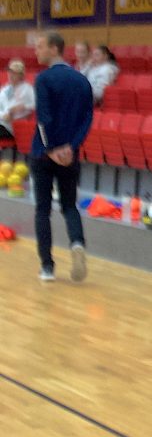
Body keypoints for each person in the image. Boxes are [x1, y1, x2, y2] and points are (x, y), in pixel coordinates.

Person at [32, 32, 93, 282]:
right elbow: (86, 120)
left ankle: (47, 267)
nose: (36, 51)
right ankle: (77, 243)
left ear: (54, 49)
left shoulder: (43, 79)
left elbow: (43, 118)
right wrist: (72, 147)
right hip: (70, 155)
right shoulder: (82, 80)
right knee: (69, 206)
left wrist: (50, 149)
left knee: (42, 210)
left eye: (40, 46)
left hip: (44, 154)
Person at [0, 59, 35, 139]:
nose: (11, 75)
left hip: (14, 127)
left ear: (21, 75)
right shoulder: (4, 90)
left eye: (14, 73)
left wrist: (24, 107)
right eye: (10, 72)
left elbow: (35, 104)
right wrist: (3, 116)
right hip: (2, 122)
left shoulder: (28, 89)